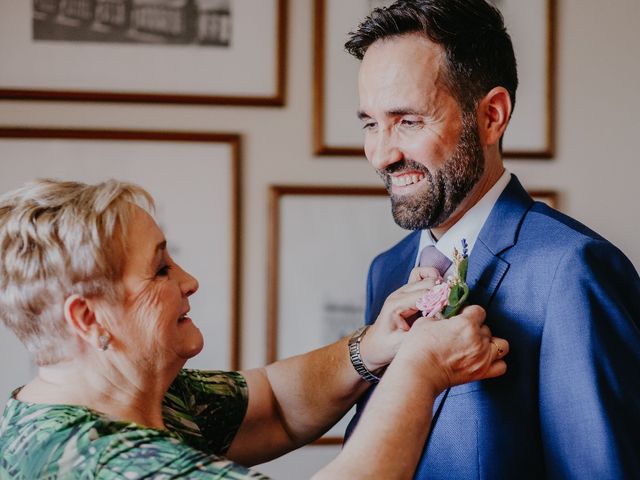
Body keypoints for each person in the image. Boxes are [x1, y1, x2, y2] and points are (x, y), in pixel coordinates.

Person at [0, 178, 509, 479]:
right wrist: (419, 370)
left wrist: (370, 348)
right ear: (88, 319)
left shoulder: (132, 397)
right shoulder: (98, 461)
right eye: (159, 271)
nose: (189, 281)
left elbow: (275, 407)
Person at [344, 0, 640, 478]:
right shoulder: (385, 271)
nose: (382, 154)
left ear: (492, 116)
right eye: (370, 124)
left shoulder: (574, 270)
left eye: (408, 121)